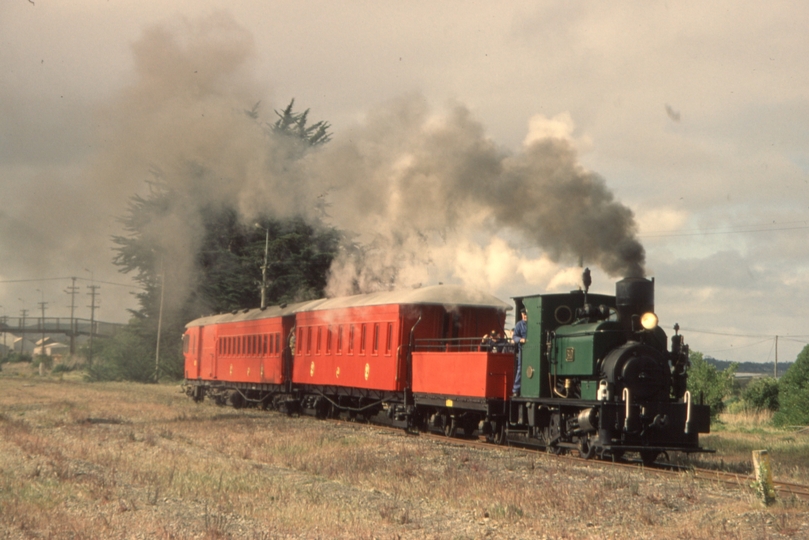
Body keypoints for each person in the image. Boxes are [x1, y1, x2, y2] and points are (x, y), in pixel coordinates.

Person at [512, 309, 528, 397]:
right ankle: (516, 389)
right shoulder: (519, 324)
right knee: (520, 368)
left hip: (532, 349)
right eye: (523, 315)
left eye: (526, 314)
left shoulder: (532, 324)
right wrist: (520, 339)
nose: (525, 316)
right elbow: (514, 337)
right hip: (523, 349)